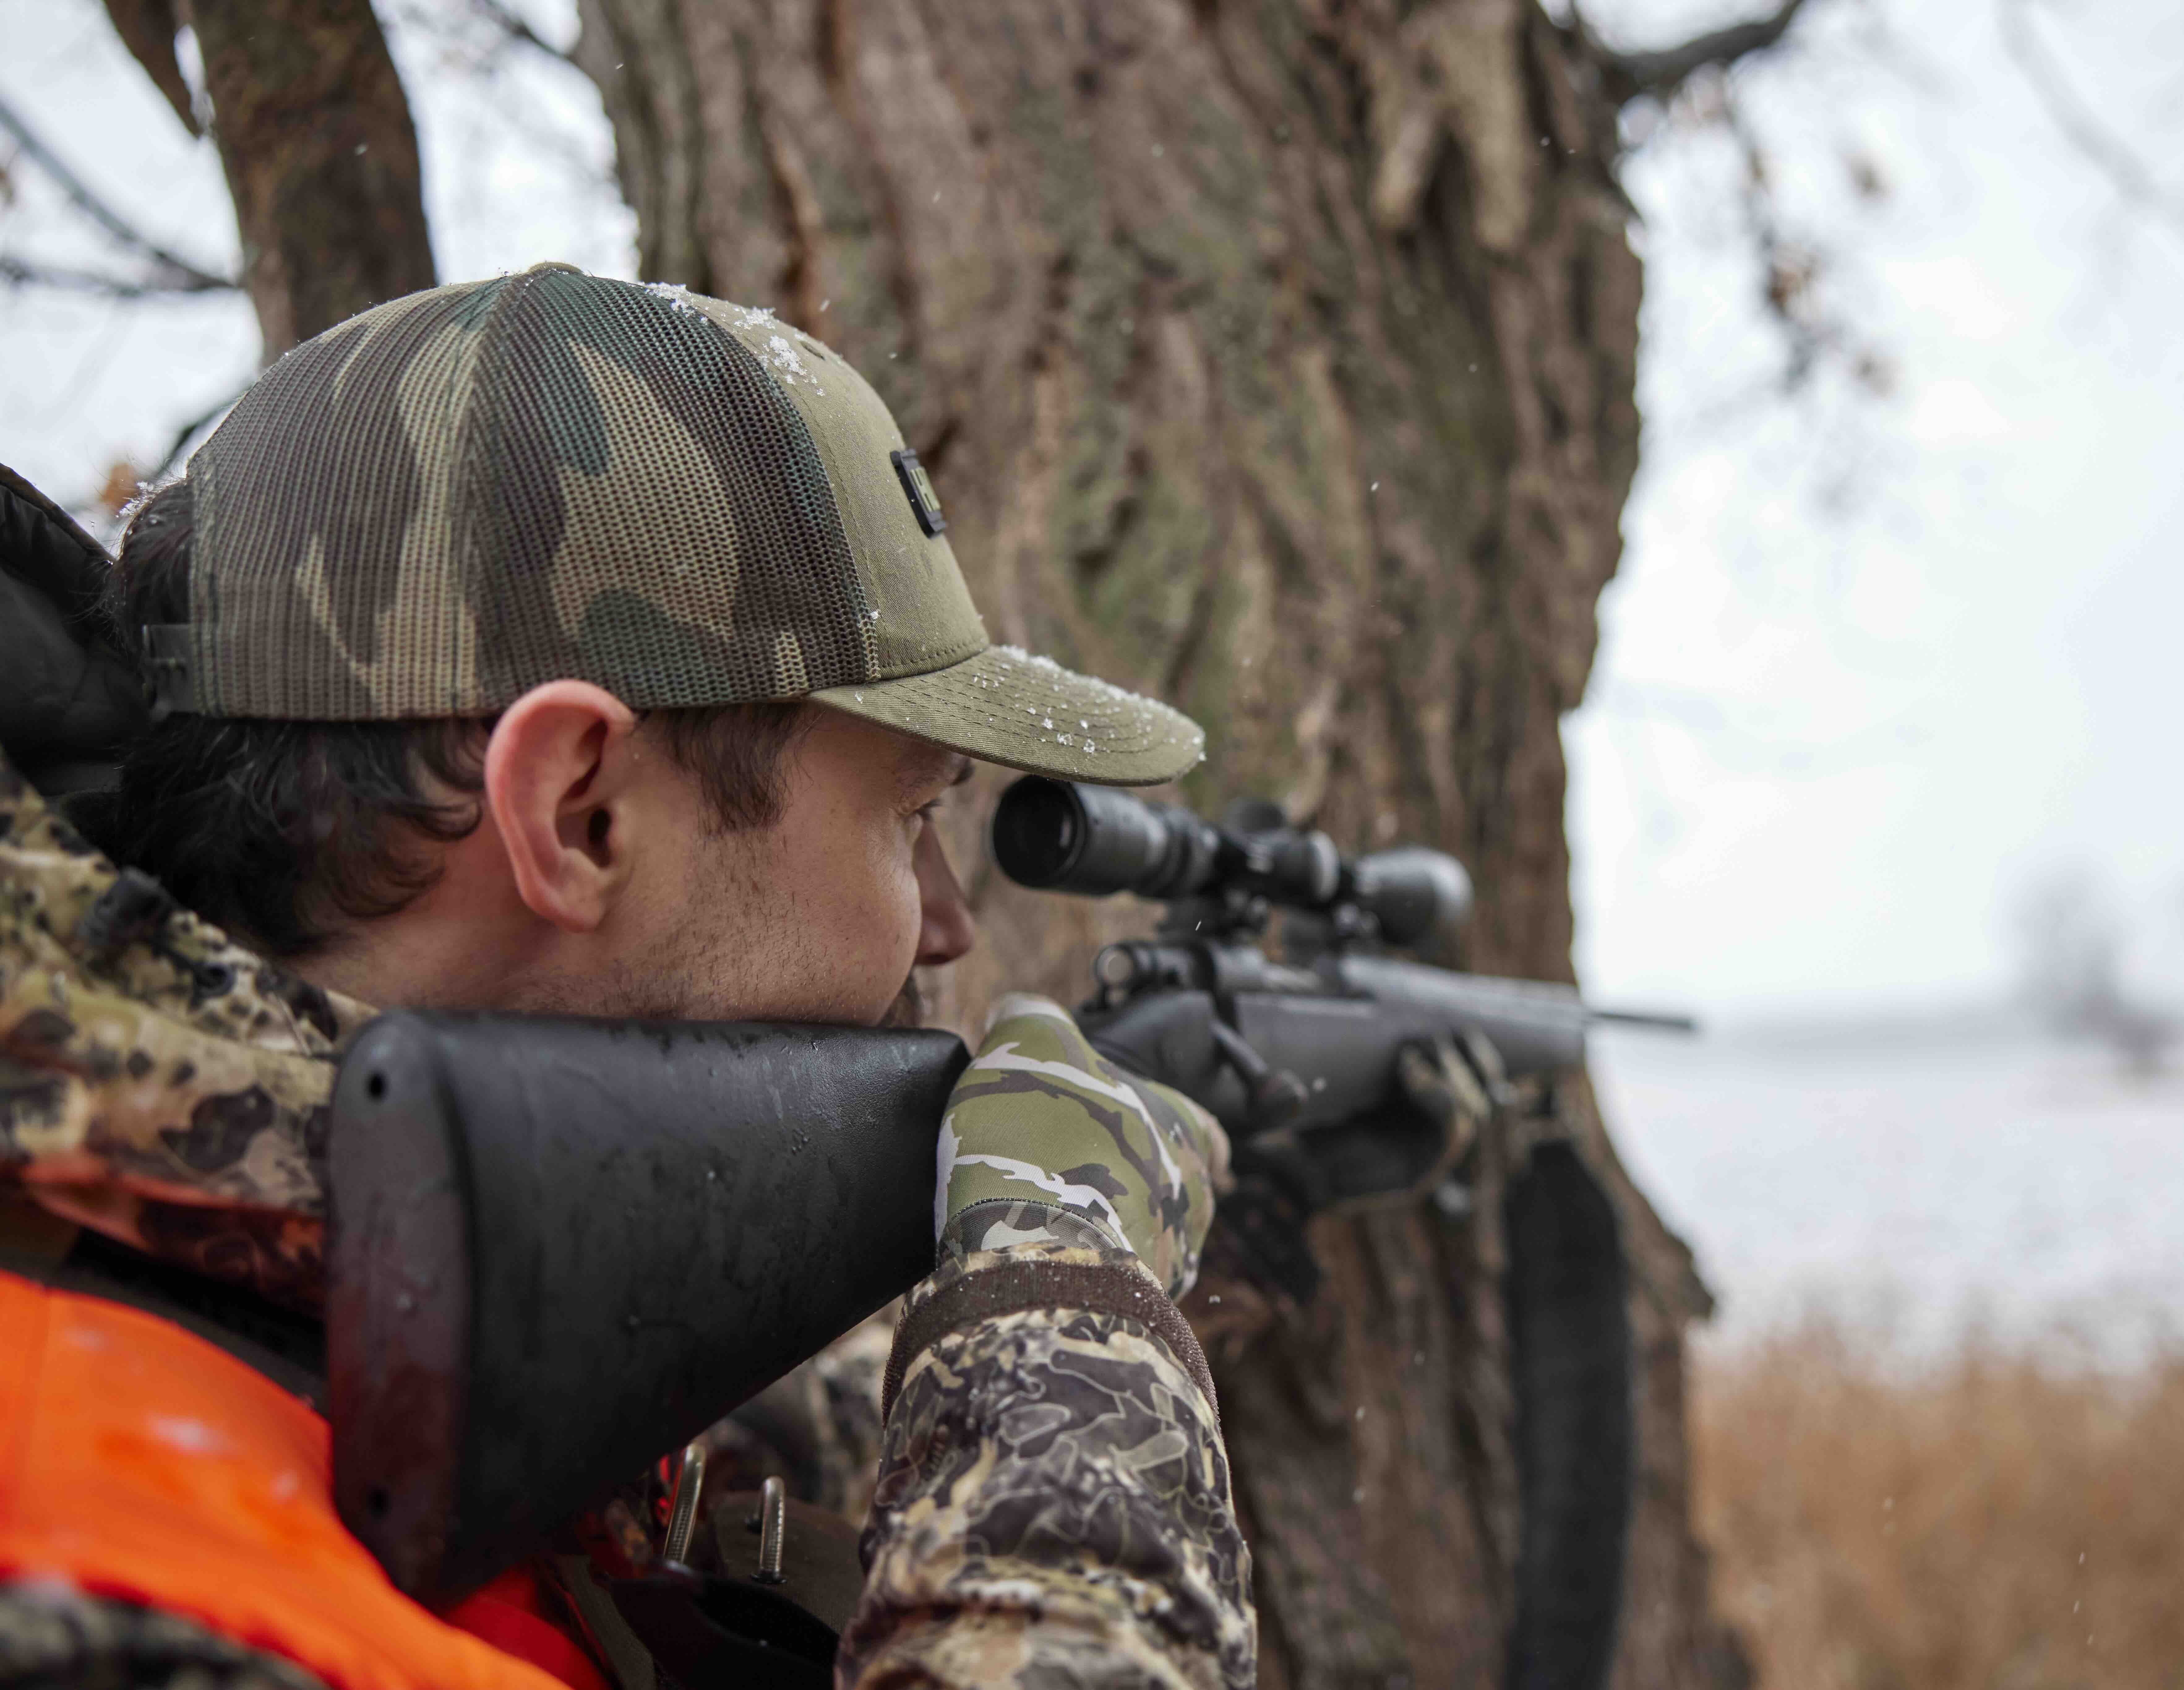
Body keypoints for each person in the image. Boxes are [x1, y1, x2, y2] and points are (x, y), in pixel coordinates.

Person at [0, 265, 1253, 1689]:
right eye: (912, 812)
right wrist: (1073, 1315)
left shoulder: (305, 1320)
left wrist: (1113, 1263)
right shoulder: (94, 1554)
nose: (951, 926)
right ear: (580, 812)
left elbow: (711, 1467)